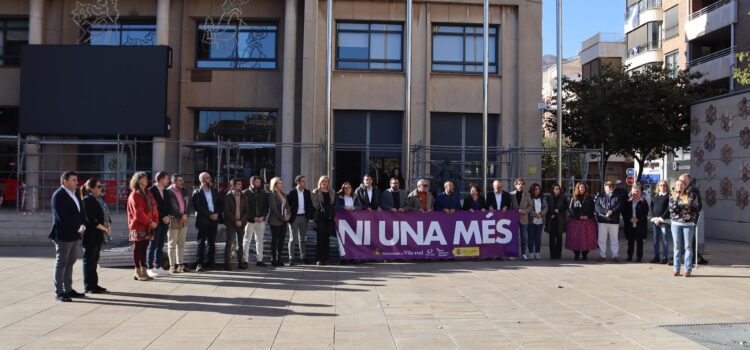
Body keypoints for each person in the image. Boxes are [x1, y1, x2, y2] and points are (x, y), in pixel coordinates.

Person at [49, 171, 87, 302]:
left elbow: (80, 212)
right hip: (63, 235)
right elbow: (62, 217)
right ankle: (59, 292)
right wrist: (77, 226)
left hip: (75, 234)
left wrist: (82, 224)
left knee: (70, 262)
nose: (77, 182)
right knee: (62, 263)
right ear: (65, 181)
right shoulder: (58, 195)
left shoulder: (75, 194)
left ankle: (68, 289)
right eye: (74, 180)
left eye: (77, 180)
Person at [81, 178, 111, 294]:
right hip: (90, 235)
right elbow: (91, 219)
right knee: (89, 261)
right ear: (91, 189)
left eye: (101, 186)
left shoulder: (99, 200)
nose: (100, 188)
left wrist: (109, 224)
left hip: (98, 235)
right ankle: (89, 286)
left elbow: (105, 214)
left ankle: (94, 284)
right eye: (98, 186)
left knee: (95, 260)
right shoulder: (87, 200)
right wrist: (105, 228)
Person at [127, 171, 159, 281]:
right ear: (139, 180)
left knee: (144, 248)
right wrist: (150, 222)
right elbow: (138, 213)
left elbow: (154, 207)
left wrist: (155, 220)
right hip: (138, 225)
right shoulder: (135, 194)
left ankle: (144, 270)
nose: (146, 180)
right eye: (144, 178)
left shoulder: (148, 193)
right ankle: (137, 271)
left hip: (148, 225)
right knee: (138, 248)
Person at [192, 172, 222, 272]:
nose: (210, 179)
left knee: (211, 242)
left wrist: (217, 213)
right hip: (203, 220)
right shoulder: (197, 192)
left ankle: (211, 262)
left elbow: (218, 203)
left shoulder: (213, 191)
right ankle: (199, 263)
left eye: (209, 177)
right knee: (201, 242)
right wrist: (210, 214)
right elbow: (198, 207)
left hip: (214, 220)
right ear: (202, 180)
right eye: (208, 177)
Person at [670, 179, 700, 277]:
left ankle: (687, 269)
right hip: (676, 223)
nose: (680, 187)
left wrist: (690, 217)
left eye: (682, 185)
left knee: (688, 247)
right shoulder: (673, 196)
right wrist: (676, 199)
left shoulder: (691, 196)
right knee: (677, 247)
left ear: (685, 186)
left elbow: (695, 209)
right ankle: (676, 269)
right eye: (678, 185)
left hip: (688, 224)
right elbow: (672, 210)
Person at [146, 171, 173, 278]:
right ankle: (149, 268)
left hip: (165, 222)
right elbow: (153, 208)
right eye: (166, 178)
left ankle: (158, 266)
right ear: (161, 179)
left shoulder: (166, 191)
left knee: (160, 245)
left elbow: (169, 205)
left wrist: (169, 216)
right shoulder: (151, 191)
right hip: (156, 222)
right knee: (153, 245)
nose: (168, 181)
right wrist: (163, 217)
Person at [679, 173, 707, 265]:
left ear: (688, 181)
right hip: (684, 218)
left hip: (692, 217)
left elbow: (697, 205)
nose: (681, 182)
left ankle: (694, 257)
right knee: (687, 238)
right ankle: (692, 256)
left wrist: (692, 216)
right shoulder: (683, 190)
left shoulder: (692, 190)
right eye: (680, 180)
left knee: (691, 238)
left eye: (683, 180)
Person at [566, 182, 597, 261]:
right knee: (575, 238)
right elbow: (570, 209)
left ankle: (585, 254)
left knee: (586, 238)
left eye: (583, 187)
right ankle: (576, 254)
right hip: (575, 222)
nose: (582, 189)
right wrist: (578, 216)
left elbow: (592, 209)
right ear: (578, 188)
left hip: (587, 221)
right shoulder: (574, 198)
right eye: (580, 187)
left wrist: (587, 216)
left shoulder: (589, 198)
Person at [167, 173, 191, 273]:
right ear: (174, 181)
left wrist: (186, 215)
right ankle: (172, 266)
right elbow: (170, 207)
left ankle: (180, 264)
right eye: (180, 180)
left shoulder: (184, 191)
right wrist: (180, 216)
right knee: (172, 244)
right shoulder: (168, 192)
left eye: (182, 180)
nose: (182, 182)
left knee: (181, 244)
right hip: (174, 220)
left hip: (184, 220)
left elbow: (189, 204)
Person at [287, 175, 313, 265]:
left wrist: (308, 216)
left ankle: (303, 257)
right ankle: (291, 258)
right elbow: (288, 206)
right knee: (292, 238)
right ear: (297, 182)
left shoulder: (307, 192)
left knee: (302, 238)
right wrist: (289, 216)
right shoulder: (292, 192)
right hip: (294, 218)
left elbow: (309, 205)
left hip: (303, 217)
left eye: (305, 181)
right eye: (302, 181)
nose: (304, 183)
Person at [243, 176, 269, 267]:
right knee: (246, 240)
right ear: (252, 183)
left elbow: (266, 206)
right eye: (258, 182)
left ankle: (259, 260)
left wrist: (263, 216)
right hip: (249, 221)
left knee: (260, 240)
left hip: (260, 221)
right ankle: (245, 260)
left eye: (260, 182)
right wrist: (252, 217)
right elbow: (245, 208)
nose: (260, 184)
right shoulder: (245, 193)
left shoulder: (263, 193)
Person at [595, 181, 623, 263]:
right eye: (608, 186)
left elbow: (619, 206)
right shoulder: (600, 197)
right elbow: (597, 207)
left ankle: (615, 256)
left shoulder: (617, 197)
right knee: (601, 239)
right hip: (602, 221)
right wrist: (606, 211)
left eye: (612, 186)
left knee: (614, 239)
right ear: (605, 187)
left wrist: (612, 212)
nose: (610, 187)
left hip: (613, 221)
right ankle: (602, 255)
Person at [224, 178, 248, 270]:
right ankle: (227, 263)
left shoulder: (244, 196)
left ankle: (240, 263)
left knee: (240, 243)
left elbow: (247, 211)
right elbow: (227, 211)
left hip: (241, 223)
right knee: (229, 243)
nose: (241, 186)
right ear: (233, 186)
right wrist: (235, 221)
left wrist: (242, 221)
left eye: (241, 184)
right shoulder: (228, 196)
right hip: (231, 223)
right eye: (238, 184)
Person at [312, 175, 336, 265]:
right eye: (323, 181)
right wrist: (324, 210)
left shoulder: (332, 192)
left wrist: (330, 213)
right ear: (320, 182)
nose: (324, 183)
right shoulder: (316, 191)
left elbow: (332, 204)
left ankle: (325, 258)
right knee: (320, 239)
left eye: (326, 181)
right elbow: (315, 205)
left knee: (327, 239)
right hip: (320, 217)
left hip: (329, 218)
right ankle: (319, 259)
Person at [268, 177, 291, 267]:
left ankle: (279, 258)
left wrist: (288, 215)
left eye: (281, 183)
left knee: (281, 240)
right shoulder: (271, 194)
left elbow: (287, 206)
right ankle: (273, 259)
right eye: (279, 183)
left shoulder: (284, 194)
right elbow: (273, 208)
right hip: (275, 221)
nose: (281, 185)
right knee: (275, 240)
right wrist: (282, 218)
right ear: (274, 184)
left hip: (284, 222)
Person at [622, 185, 649, 262]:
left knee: (640, 241)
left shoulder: (643, 202)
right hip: (630, 224)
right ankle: (629, 256)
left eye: (638, 191)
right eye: (634, 191)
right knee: (630, 241)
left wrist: (638, 219)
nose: (636, 193)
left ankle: (639, 257)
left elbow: (645, 213)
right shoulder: (628, 202)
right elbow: (624, 213)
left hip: (640, 224)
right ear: (631, 192)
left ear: (640, 192)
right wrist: (630, 219)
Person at [650, 179, 671, 264]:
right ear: (658, 187)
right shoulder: (655, 196)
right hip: (655, 221)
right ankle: (656, 256)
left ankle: (665, 257)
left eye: (664, 185)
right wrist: (654, 218)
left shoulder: (669, 196)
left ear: (667, 187)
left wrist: (660, 218)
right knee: (655, 239)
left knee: (665, 239)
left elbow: (668, 209)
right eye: (661, 185)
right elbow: (651, 207)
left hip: (664, 221)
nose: (662, 187)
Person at [511, 178, 532, 260]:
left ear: (524, 185)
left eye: (522, 184)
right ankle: (513, 253)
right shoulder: (511, 194)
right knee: (513, 236)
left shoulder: (527, 194)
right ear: (515, 185)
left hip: (524, 218)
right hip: (514, 219)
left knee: (524, 236)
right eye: (519, 184)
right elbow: (509, 206)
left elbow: (530, 206)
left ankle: (523, 253)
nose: (520, 185)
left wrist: (524, 211)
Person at [545, 184, 567, 260]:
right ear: (552, 190)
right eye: (555, 189)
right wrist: (550, 214)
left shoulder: (563, 197)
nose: (557, 190)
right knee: (551, 238)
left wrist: (559, 210)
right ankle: (552, 254)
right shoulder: (549, 197)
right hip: (551, 220)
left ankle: (558, 254)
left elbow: (566, 207)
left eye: (558, 189)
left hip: (559, 220)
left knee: (559, 238)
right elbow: (547, 208)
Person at [527, 183, 547, 260]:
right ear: (532, 190)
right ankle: (531, 253)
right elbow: (528, 208)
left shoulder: (542, 198)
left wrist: (541, 214)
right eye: (535, 189)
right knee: (531, 237)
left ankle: (537, 253)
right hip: (531, 220)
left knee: (538, 238)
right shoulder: (529, 197)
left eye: (538, 189)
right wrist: (535, 214)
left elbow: (546, 207)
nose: (537, 191)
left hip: (540, 220)